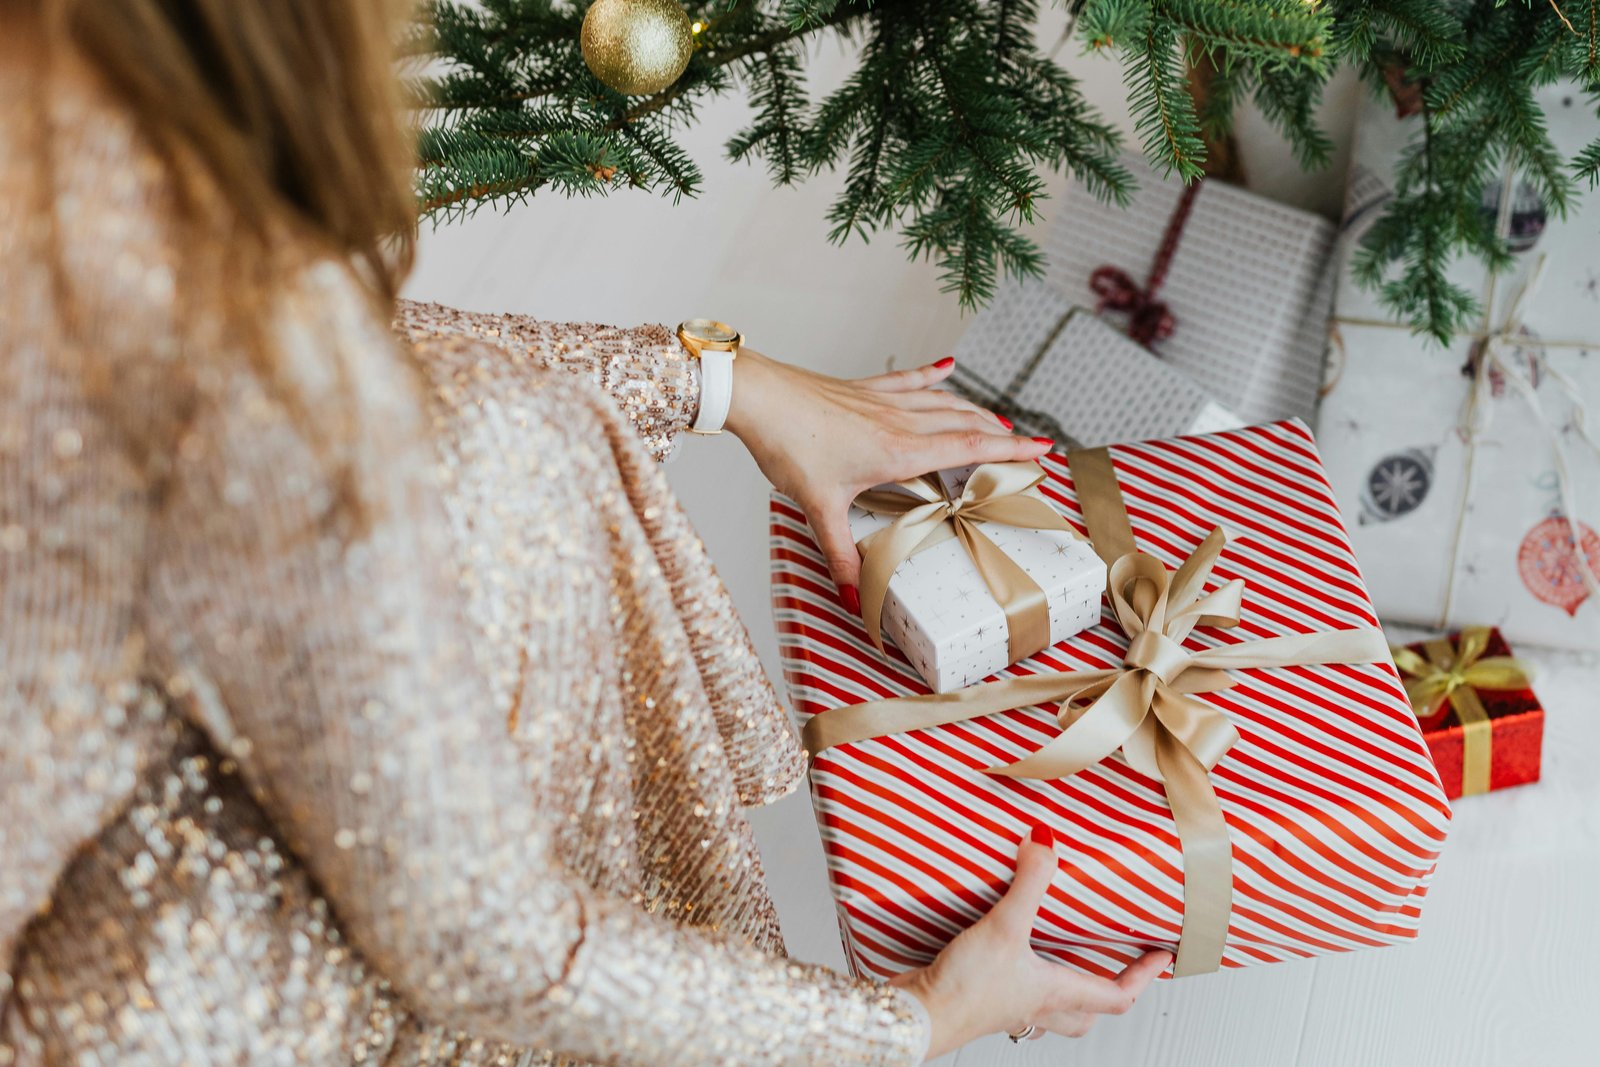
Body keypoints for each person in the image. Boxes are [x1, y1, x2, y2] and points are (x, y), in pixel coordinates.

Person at [0, 1, 1170, 1063]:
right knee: (499, 450)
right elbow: (491, 945)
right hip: (144, 1007)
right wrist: (911, 1019)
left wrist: (719, 381)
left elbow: (347, 333)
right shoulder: (239, 395)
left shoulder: (92, 186)